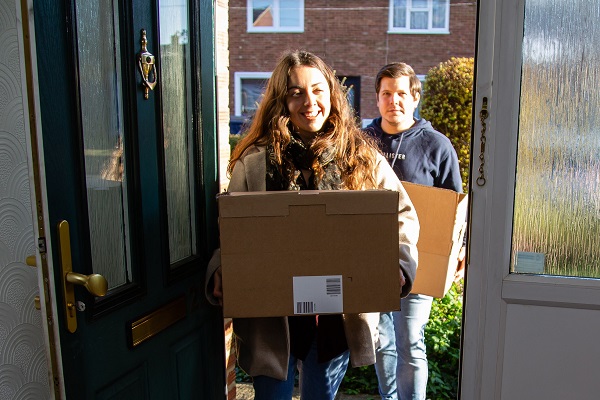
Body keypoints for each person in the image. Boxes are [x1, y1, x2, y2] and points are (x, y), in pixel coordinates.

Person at [204, 51, 420, 400]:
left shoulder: (360, 157)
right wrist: (221, 269)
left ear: (332, 94)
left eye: (318, 90)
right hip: (272, 317)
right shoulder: (255, 163)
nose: (309, 102)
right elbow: (231, 230)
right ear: (281, 100)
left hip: (334, 318)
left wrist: (398, 264)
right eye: (296, 92)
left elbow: (402, 216)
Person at [364, 62, 464, 400]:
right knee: (381, 342)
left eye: (401, 93)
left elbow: (455, 207)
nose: (394, 101)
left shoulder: (437, 145)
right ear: (377, 99)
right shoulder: (362, 142)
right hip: (370, 259)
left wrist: (460, 253)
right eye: (386, 94)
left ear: (415, 98)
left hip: (418, 260)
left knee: (411, 342)